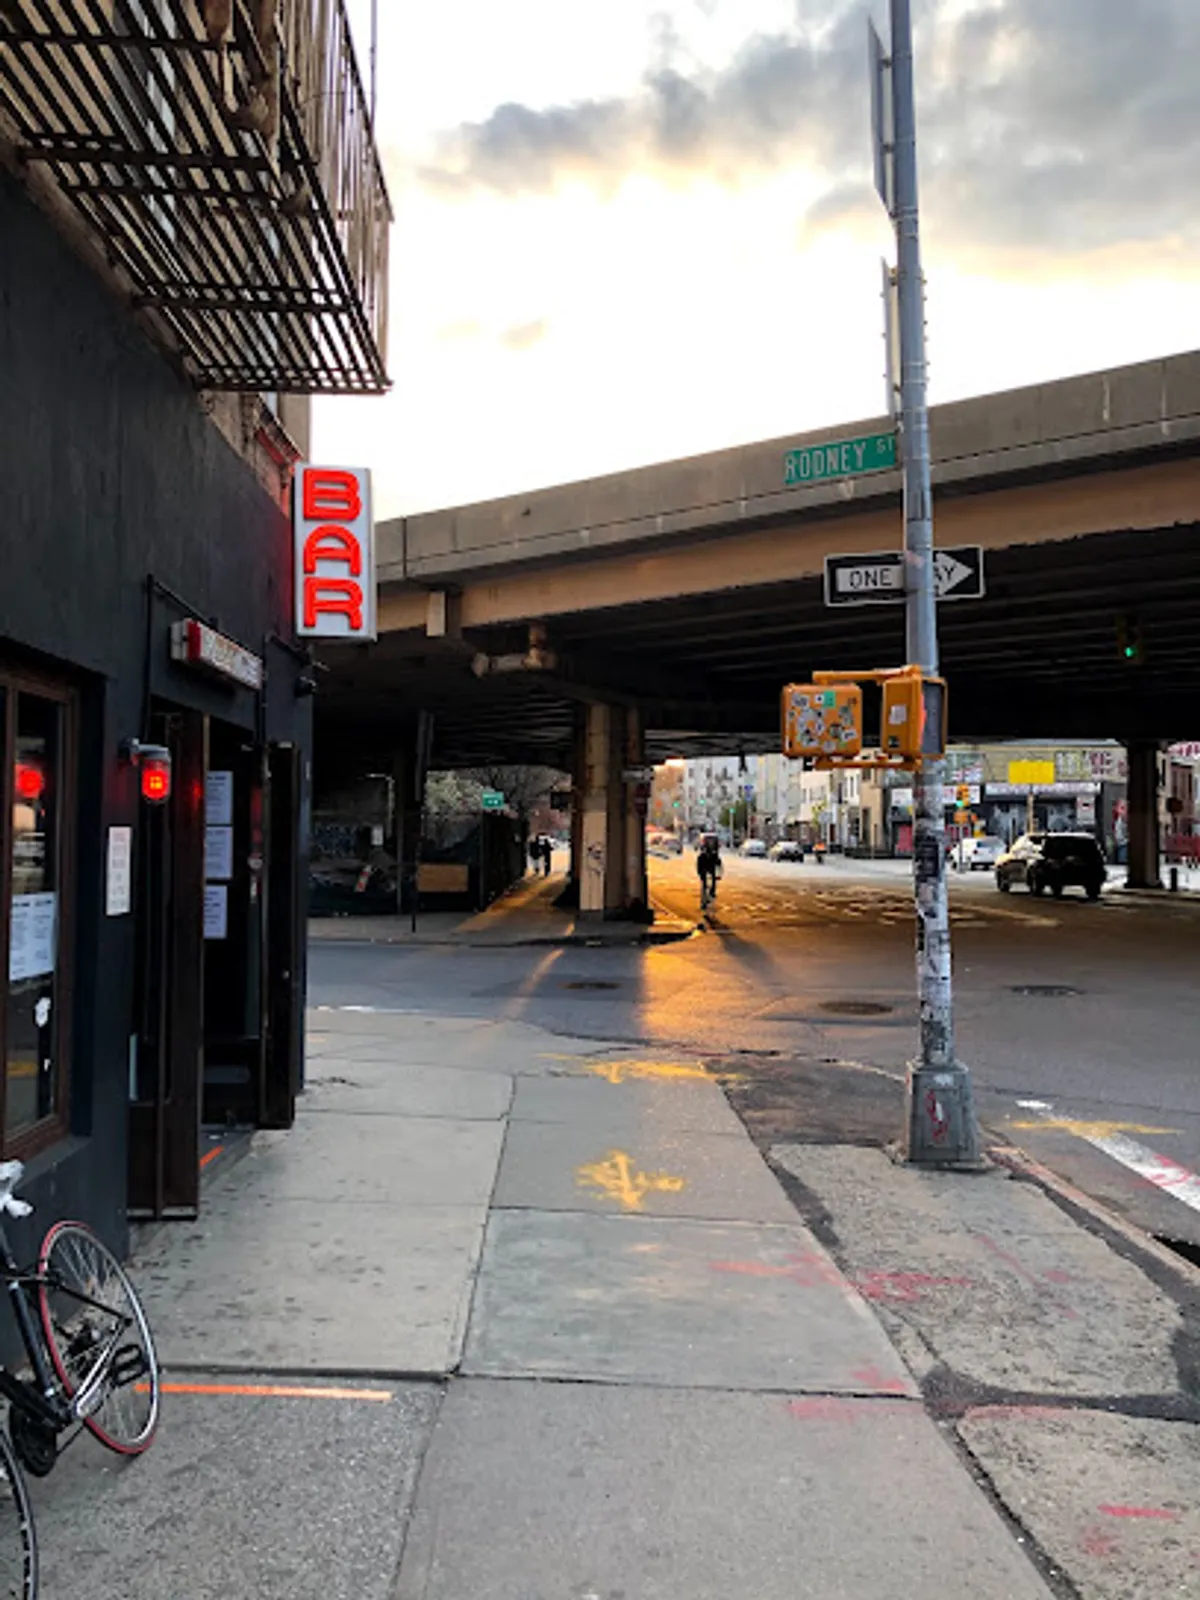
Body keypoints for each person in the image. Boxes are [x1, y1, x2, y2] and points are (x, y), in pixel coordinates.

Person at [696, 834, 722, 908]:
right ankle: (704, 901)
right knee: (704, 885)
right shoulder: (702, 856)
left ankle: (711, 892)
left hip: (710, 869)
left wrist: (719, 874)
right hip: (704, 870)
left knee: (712, 881)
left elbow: (718, 865)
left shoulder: (714, 855)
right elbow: (699, 866)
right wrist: (700, 873)